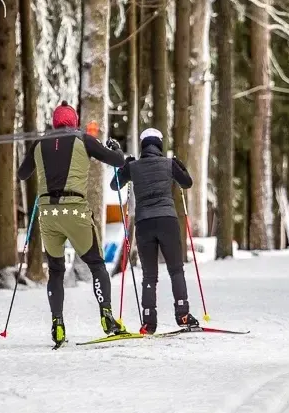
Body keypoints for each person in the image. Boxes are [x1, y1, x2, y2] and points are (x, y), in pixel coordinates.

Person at [17, 101, 127, 346]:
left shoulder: (39, 144)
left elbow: (22, 174)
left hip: (48, 215)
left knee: (56, 271)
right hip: (75, 210)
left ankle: (57, 324)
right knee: (97, 264)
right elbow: (117, 161)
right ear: (74, 122)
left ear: (55, 123)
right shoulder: (83, 140)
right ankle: (107, 317)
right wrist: (115, 149)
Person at [109, 128, 197, 334]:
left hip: (144, 223)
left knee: (149, 275)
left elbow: (115, 185)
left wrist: (124, 166)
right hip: (167, 221)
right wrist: (179, 164)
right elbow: (187, 182)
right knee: (176, 269)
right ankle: (183, 313)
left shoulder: (134, 166)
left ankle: (149, 321)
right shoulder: (168, 164)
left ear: (142, 146)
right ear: (159, 144)